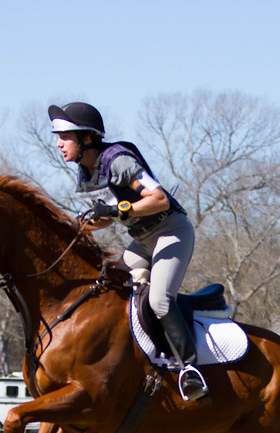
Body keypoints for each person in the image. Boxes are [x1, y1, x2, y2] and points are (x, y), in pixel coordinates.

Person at [48, 102, 208, 403]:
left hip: (171, 230)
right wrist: (78, 227)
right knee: (112, 288)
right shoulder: (86, 172)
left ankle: (191, 370)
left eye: (64, 137)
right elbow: (108, 217)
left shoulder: (118, 160)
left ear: (86, 139)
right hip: (142, 240)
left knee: (160, 300)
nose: (58, 143)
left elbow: (159, 199)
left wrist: (117, 209)